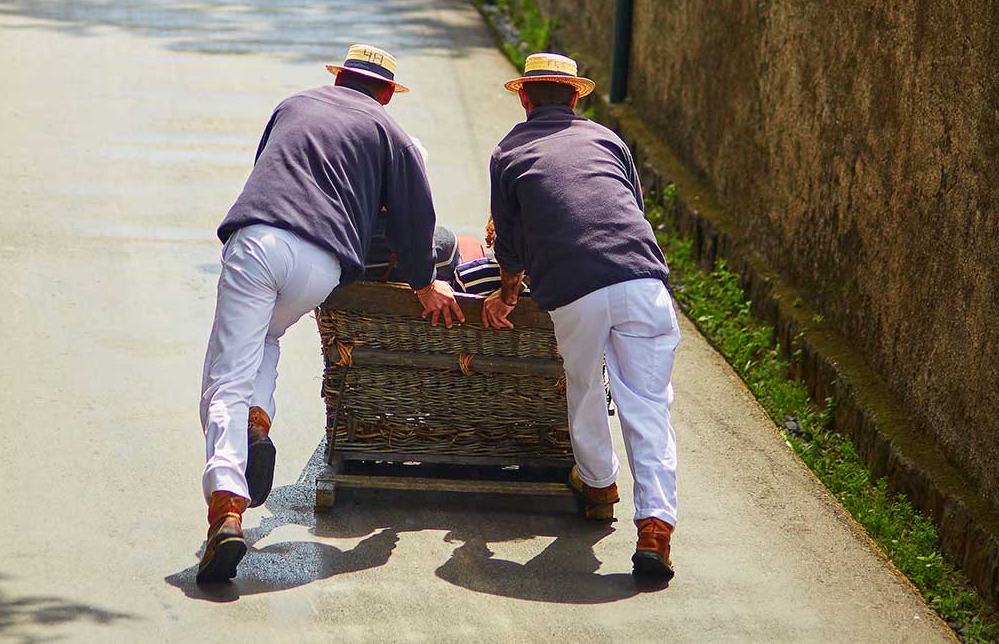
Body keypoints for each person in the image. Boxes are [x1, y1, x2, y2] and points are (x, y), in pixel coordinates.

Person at [196, 44, 464, 583]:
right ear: (387, 95)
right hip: (322, 265)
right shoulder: (393, 136)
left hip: (261, 241)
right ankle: (257, 422)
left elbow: (266, 173)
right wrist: (423, 281)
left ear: (339, 78)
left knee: (227, 375)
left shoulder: (292, 105)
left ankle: (227, 506)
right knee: (268, 338)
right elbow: (419, 222)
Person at [481, 52, 680, 581]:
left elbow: (510, 243)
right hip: (642, 281)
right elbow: (629, 205)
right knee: (649, 406)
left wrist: (505, 293)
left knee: (586, 385)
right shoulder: (608, 139)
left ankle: (598, 484)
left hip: (575, 290)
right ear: (576, 97)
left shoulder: (508, 152)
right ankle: (656, 528)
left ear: (523, 98)